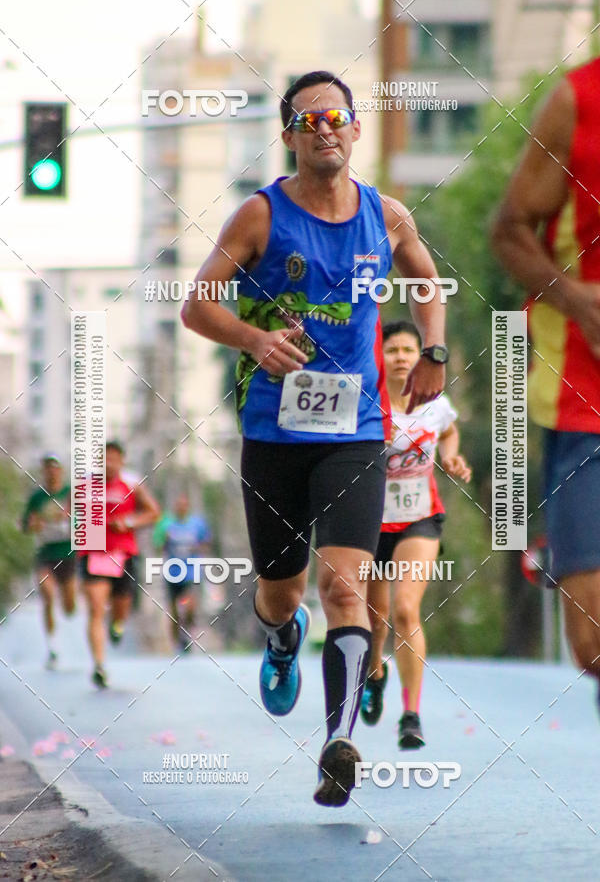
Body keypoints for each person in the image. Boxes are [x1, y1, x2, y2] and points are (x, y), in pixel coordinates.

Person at [181, 70, 448, 806]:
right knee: (281, 590)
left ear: (357, 129)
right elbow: (196, 305)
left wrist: (434, 351)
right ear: (291, 135)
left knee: (344, 586)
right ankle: (277, 638)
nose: (324, 128)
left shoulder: (387, 216)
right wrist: (253, 338)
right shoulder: (260, 217)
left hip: (355, 432)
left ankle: (339, 742)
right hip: (273, 431)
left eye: (337, 116)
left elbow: (427, 281)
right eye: (308, 119)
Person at [492, 58, 600, 708]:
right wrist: (579, 302)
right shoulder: (576, 101)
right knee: (589, 639)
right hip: (585, 403)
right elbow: (508, 230)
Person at [359, 321, 471, 747]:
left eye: (409, 349)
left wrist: (452, 458)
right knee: (377, 622)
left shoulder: (434, 402)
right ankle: (375, 671)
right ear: (380, 358)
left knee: (406, 610)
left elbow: (449, 431)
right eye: (393, 350)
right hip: (370, 521)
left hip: (420, 519)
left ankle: (411, 713)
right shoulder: (368, 402)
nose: (403, 356)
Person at [81, 441, 160, 688]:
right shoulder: (85, 486)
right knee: (95, 608)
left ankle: (117, 624)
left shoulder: (132, 485)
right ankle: (99, 665)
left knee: (121, 606)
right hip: (94, 553)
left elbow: (153, 513)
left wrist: (128, 522)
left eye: (114, 458)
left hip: (122, 553)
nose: (108, 463)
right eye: (104, 458)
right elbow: (69, 513)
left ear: (122, 461)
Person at [22, 454, 76, 669]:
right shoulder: (37, 497)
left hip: (68, 553)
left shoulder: (71, 493)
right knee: (47, 594)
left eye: (55, 468)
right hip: (46, 553)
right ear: (43, 472)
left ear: (60, 471)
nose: (51, 472)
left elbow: (90, 519)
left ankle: (68, 605)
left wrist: (71, 516)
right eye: (47, 469)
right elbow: (26, 523)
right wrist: (32, 524)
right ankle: (52, 646)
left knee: (69, 607)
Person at [152, 494, 212, 652]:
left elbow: (206, 544)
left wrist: (197, 548)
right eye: (178, 505)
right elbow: (157, 547)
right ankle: (177, 643)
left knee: (190, 606)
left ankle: (187, 632)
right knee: (173, 610)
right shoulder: (166, 524)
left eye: (184, 505)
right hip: (172, 572)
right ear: (175, 507)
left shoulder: (197, 524)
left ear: (188, 507)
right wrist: (164, 540)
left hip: (191, 572)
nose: (181, 508)